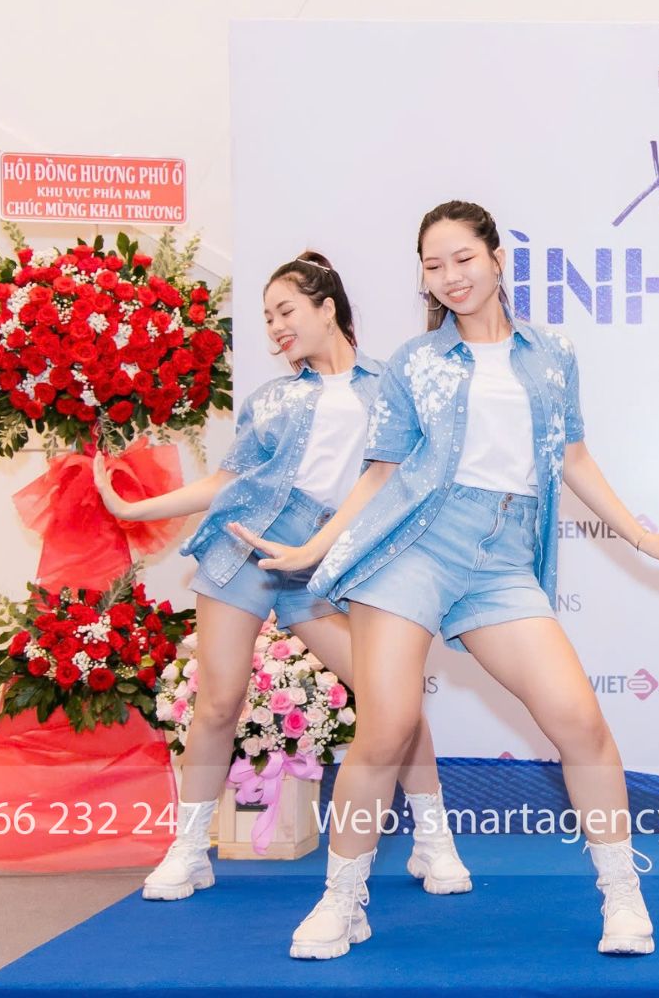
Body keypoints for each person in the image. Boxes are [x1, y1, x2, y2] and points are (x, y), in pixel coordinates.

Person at [237, 201, 659, 960]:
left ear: (496, 259)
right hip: (415, 548)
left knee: (579, 722)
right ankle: (341, 901)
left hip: (502, 558)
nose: (450, 276)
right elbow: (380, 474)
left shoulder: (552, 355)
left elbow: (573, 458)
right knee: (387, 727)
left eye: (462, 258)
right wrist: (316, 549)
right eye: (433, 265)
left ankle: (622, 894)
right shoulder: (416, 362)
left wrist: (641, 535)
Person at [91, 252, 471, 903]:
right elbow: (227, 482)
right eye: (267, 318)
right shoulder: (271, 399)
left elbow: (408, 480)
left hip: (323, 561)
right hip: (242, 551)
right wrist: (134, 509)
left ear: (327, 307)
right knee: (217, 703)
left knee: (391, 699)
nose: (274, 328)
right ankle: (189, 850)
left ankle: (434, 842)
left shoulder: (392, 386)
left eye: (285, 311)